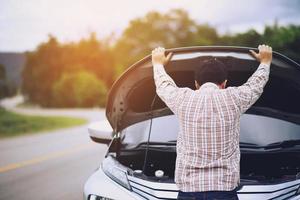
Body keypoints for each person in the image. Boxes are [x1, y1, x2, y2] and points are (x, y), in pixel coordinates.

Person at [151, 45, 272, 200]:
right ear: (224, 83)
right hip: (224, 191)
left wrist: (157, 64)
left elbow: (163, 86)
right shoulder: (234, 98)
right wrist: (265, 62)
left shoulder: (182, 99)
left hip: (189, 191)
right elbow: (255, 85)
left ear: (196, 83)